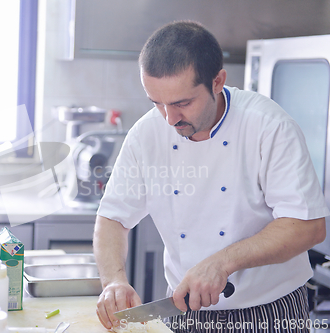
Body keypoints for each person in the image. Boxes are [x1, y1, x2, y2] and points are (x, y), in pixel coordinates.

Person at [94, 20, 329, 332]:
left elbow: (307, 226)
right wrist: (114, 281)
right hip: (184, 310)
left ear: (218, 81)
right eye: (157, 103)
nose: (169, 118)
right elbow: (112, 217)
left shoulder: (268, 127)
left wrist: (222, 262)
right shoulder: (146, 134)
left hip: (272, 312)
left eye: (182, 103)